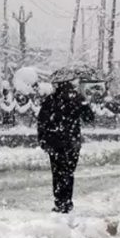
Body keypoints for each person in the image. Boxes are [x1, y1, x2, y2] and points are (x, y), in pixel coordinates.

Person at [37, 77, 95, 213]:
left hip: (55, 142)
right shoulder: (77, 99)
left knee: (57, 173)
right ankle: (67, 201)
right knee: (69, 172)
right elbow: (89, 118)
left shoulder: (51, 100)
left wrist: (43, 139)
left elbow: (42, 121)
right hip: (72, 142)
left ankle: (59, 201)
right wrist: (85, 103)